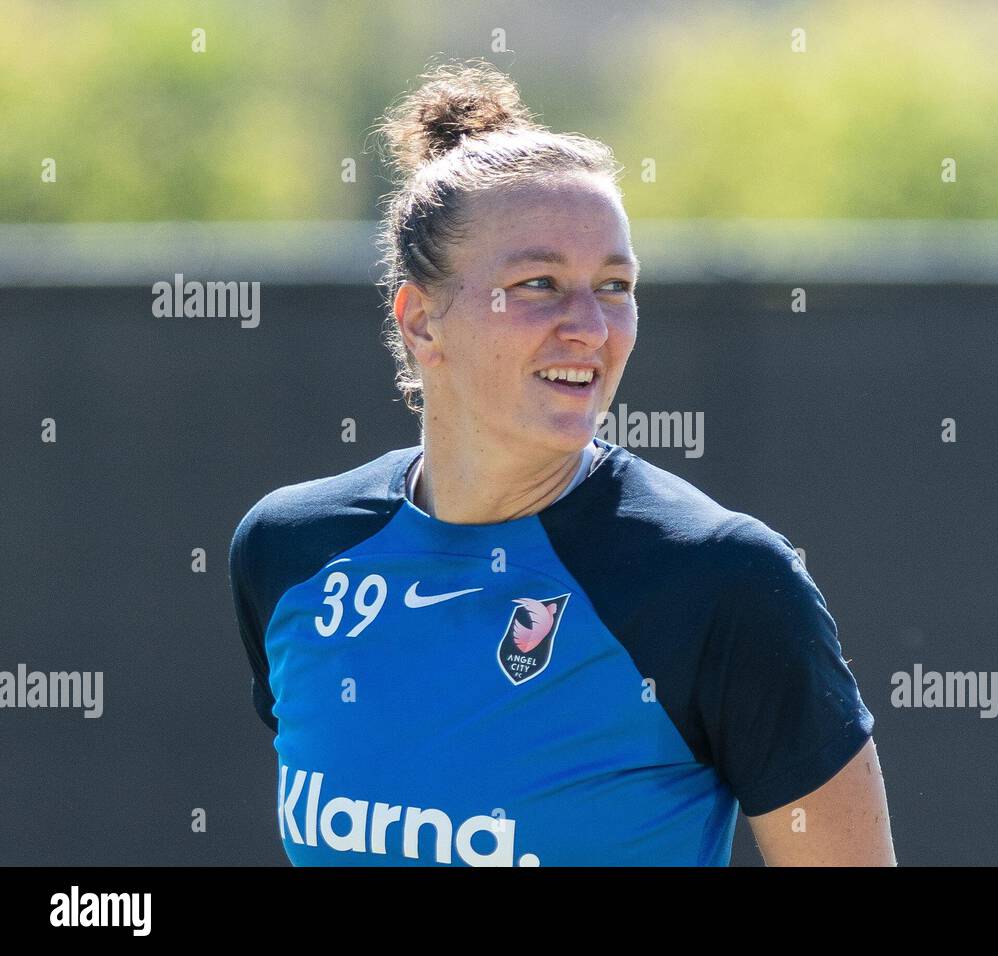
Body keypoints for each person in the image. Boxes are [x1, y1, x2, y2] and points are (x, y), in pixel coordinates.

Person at [229, 58, 895, 866]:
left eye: (615, 285)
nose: (590, 325)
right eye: (539, 283)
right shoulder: (289, 550)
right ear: (421, 323)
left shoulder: (723, 582)